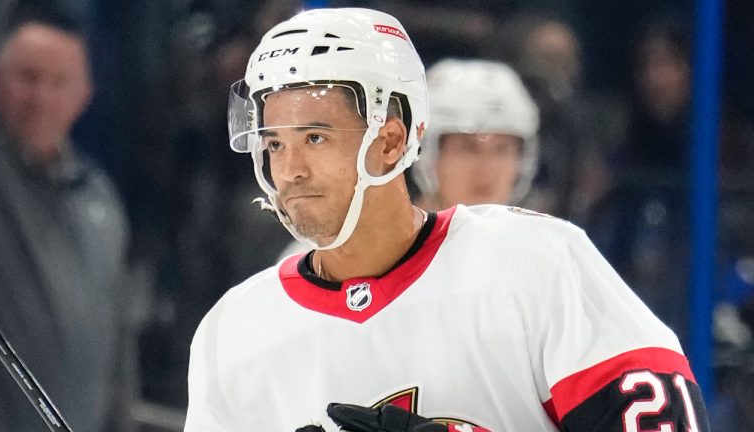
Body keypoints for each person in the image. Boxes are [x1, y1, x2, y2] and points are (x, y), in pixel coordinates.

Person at [184, 8, 710, 432]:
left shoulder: (535, 264)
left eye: (315, 138)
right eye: (275, 143)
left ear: (390, 140)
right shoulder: (233, 332)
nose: (290, 170)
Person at [0, 6, 133, 432]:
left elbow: (118, 346)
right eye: (27, 77)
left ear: (84, 93)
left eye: (58, 82)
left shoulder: (100, 198)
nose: (40, 98)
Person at [413, 58, 539, 210]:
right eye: (467, 148)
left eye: (502, 149)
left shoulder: (549, 233)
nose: (486, 170)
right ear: (426, 154)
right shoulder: (383, 232)